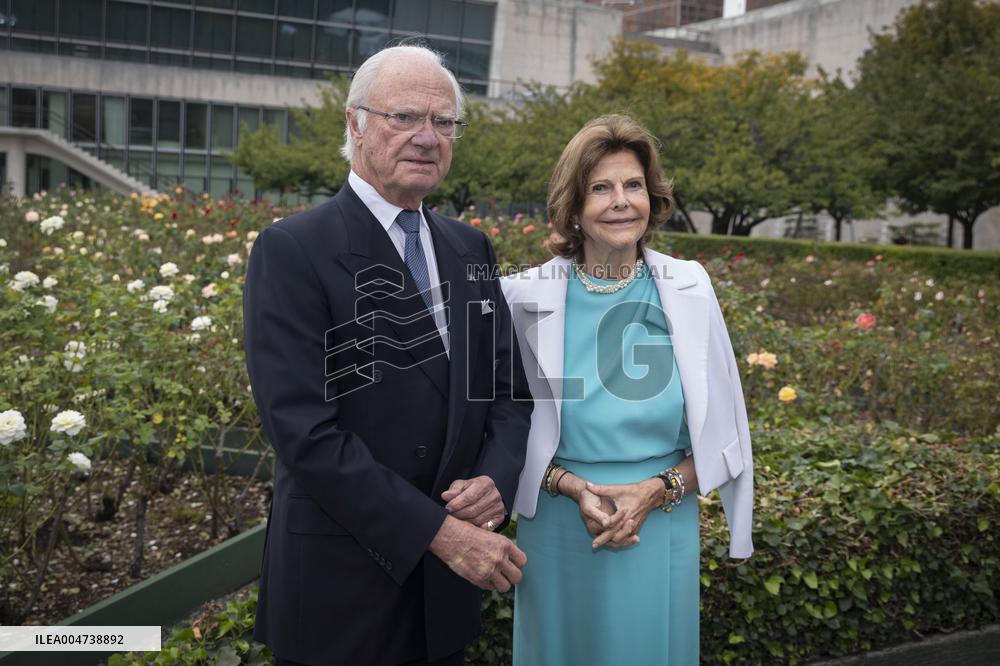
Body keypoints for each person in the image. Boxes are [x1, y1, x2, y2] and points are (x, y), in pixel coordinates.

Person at [243, 45, 533, 666]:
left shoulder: (470, 246)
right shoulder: (294, 248)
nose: (428, 138)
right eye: (405, 117)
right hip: (341, 594)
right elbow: (304, 434)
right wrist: (441, 533)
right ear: (355, 123)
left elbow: (506, 390)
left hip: (444, 602)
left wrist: (497, 480)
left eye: (444, 122)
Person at [501, 115, 754, 666]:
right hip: (558, 527)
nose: (622, 201)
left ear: (652, 196)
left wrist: (655, 490)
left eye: (633, 185)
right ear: (572, 207)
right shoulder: (521, 296)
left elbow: (723, 436)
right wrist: (568, 486)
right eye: (601, 188)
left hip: (661, 527)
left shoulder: (689, 287)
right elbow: (499, 427)